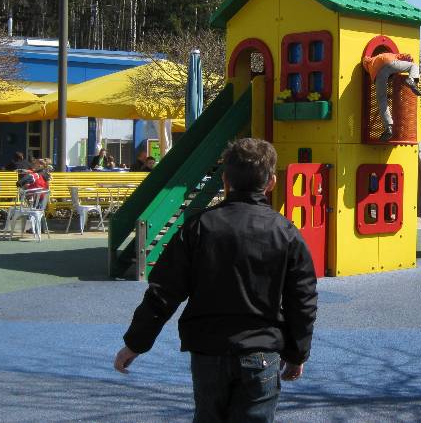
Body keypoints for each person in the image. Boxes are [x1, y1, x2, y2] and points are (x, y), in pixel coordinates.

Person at [114, 138, 318, 421]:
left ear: (225, 180)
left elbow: (164, 292)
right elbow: (302, 300)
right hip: (261, 349)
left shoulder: (199, 227)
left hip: (209, 349)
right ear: (271, 182)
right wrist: (297, 353)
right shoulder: (285, 233)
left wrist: (136, 343)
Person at [362, 52, 421, 141]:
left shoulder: (369, 61)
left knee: (382, 100)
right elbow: (407, 56)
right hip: (389, 63)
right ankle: (411, 79)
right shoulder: (393, 55)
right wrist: (409, 60)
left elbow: (365, 61)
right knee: (413, 66)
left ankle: (388, 127)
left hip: (377, 73)